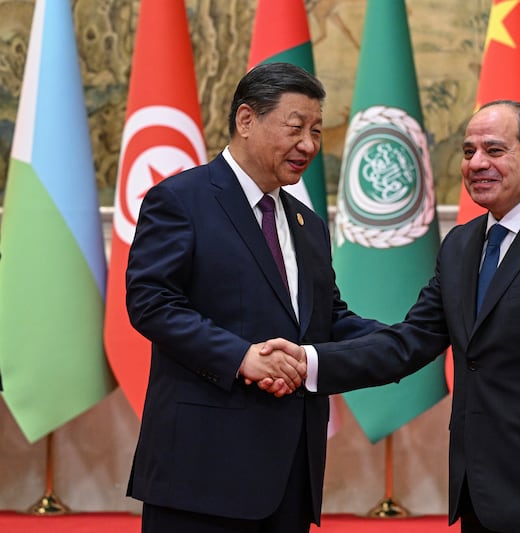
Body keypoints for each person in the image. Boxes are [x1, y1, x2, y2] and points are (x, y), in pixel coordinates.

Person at [264, 100, 520, 532]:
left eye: (494, 150)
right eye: (467, 152)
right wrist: (308, 362)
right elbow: (410, 341)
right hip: (478, 492)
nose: (477, 163)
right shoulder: (462, 245)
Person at [125, 62, 380, 533]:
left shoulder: (309, 226)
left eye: (317, 130)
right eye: (296, 127)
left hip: (289, 477)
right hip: (201, 473)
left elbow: (328, 318)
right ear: (246, 120)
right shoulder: (181, 199)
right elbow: (151, 302)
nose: (309, 144)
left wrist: (419, 334)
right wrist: (241, 357)